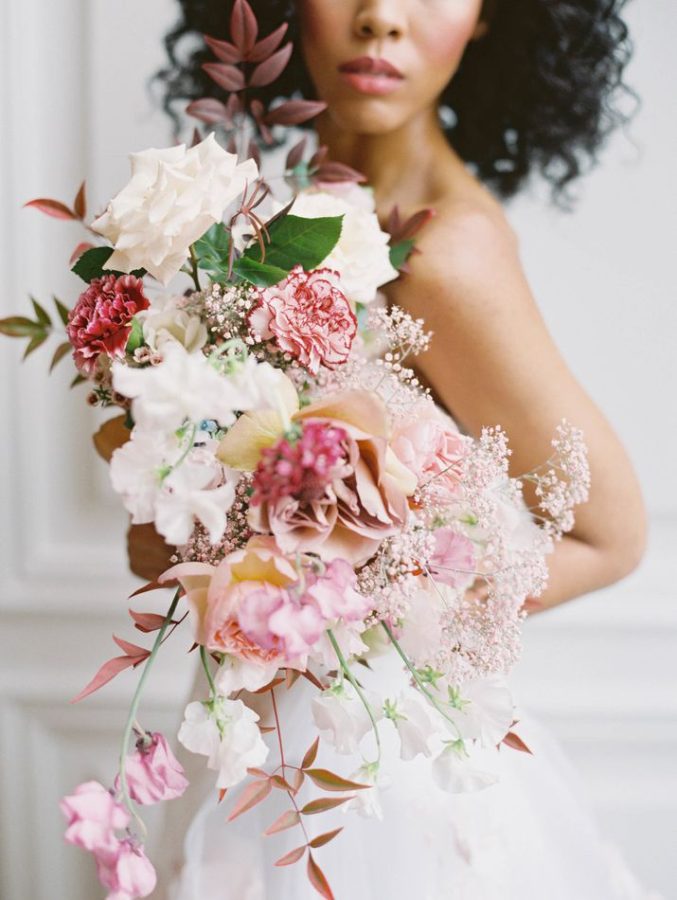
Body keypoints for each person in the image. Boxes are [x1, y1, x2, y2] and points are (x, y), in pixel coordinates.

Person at [132, 1, 654, 897]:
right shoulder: (265, 221)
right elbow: (159, 546)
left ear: (496, 16)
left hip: (378, 783)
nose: (380, 17)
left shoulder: (445, 255)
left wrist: (363, 604)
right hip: (261, 748)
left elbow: (611, 537)